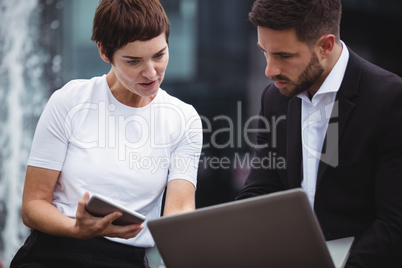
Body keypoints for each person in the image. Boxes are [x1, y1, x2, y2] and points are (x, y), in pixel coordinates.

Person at [11, 0, 202, 267]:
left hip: (126, 259)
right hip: (54, 254)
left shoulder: (183, 118)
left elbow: (178, 214)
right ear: (104, 51)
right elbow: (33, 207)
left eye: (159, 55)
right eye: (133, 61)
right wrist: (75, 229)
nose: (151, 73)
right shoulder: (70, 101)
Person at [236, 0, 402, 267]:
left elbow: (394, 224)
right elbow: (261, 191)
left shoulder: (389, 100)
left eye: (283, 55)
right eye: (264, 52)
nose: (269, 70)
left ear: (325, 46)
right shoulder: (275, 98)